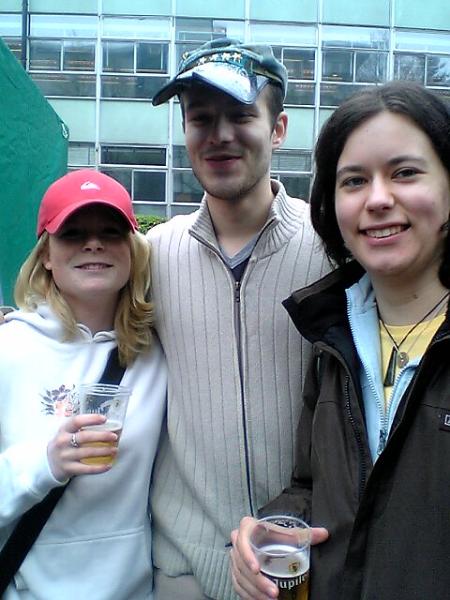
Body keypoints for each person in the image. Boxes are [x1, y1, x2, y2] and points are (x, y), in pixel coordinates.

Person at [230, 80, 450, 600]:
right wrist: (271, 530)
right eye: (354, 180)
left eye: (405, 173)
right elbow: (314, 488)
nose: (378, 199)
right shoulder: (332, 335)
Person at [148, 38, 327, 599]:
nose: (220, 135)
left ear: (278, 129)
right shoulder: (153, 254)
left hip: (298, 560)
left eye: (241, 116)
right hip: (184, 566)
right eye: (201, 118)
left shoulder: (334, 250)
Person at [0, 169, 167, 599]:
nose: (93, 244)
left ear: (131, 252)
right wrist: (45, 463)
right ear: (46, 256)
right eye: (72, 233)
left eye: (110, 232)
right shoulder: (8, 350)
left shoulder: (156, 354)